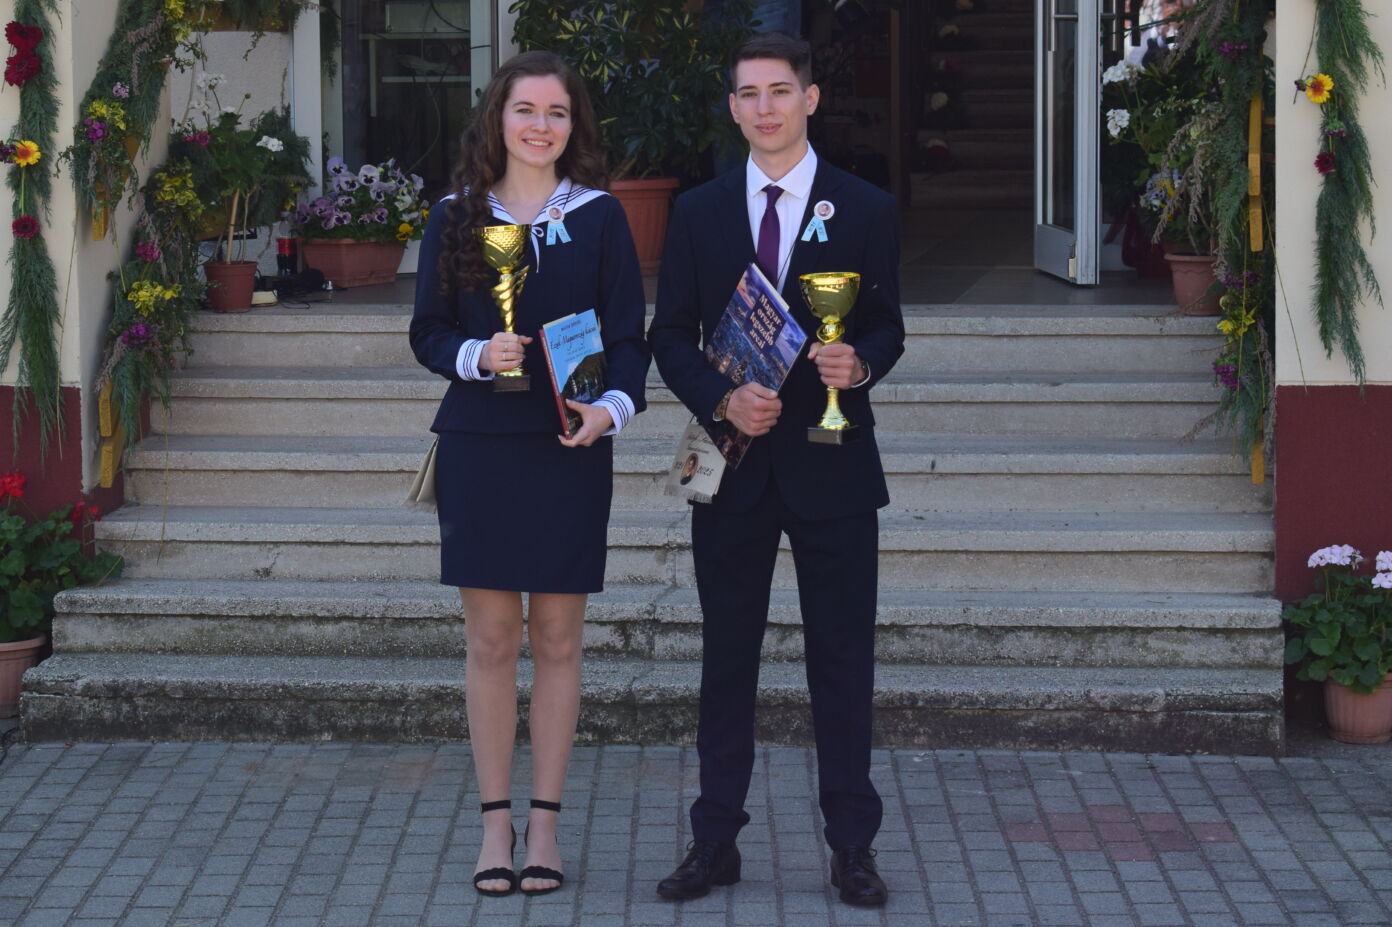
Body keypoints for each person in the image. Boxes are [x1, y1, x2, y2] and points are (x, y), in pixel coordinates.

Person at [648, 31, 904, 909]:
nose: (765, 107)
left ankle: (853, 847)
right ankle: (714, 838)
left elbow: (886, 324)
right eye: (750, 94)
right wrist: (722, 401)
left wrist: (859, 365)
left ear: (810, 98)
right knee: (727, 659)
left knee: (843, 661)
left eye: (781, 91)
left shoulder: (864, 206)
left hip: (834, 463)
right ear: (733, 107)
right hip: (736, 467)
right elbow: (669, 334)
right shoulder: (699, 211)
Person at [409, 49, 649, 899]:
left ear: (573, 125)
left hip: (567, 447)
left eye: (557, 112)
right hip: (481, 442)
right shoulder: (455, 216)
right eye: (525, 110)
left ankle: (545, 824)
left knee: (557, 639)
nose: (540, 126)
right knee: (489, 640)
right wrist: (479, 353)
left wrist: (611, 408)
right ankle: (495, 824)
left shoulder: (601, 218)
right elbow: (428, 331)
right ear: (497, 119)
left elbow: (629, 336)